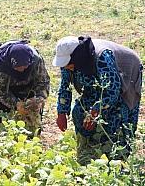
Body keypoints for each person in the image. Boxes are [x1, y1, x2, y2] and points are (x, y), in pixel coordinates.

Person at [53, 36, 143, 165]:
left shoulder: (102, 57)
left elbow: (113, 90)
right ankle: (88, 148)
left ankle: (119, 158)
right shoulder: (68, 63)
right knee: (79, 112)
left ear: (77, 57)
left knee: (117, 118)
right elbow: (65, 87)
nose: (67, 67)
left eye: (69, 64)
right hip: (97, 83)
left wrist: (96, 111)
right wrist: (62, 112)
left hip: (125, 77)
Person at [0, 40, 50, 137]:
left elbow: (43, 82)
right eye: (18, 67)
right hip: (6, 87)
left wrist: (39, 98)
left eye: (25, 66)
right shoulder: (0, 66)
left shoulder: (36, 60)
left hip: (29, 85)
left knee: (33, 111)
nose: (22, 69)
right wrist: (16, 104)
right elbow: (1, 92)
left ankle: (32, 135)